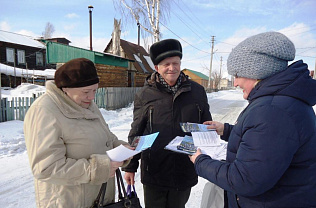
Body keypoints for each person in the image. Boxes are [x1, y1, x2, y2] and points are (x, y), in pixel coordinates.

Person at [190, 31, 316, 208]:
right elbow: (266, 141)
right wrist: (226, 130)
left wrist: (200, 161)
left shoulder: (273, 110)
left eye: (237, 75)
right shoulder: (280, 101)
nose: (234, 83)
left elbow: (244, 179)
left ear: (256, 72)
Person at [24, 58, 131, 208]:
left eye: (95, 90)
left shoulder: (86, 104)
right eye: (86, 91)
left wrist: (121, 148)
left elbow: (105, 136)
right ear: (66, 88)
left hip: (98, 198)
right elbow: (46, 168)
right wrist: (98, 168)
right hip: (68, 201)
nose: (92, 97)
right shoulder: (44, 111)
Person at [123, 39, 213, 208]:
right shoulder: (145, 94)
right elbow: (137, 132)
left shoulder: (197, 92)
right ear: (157, 68)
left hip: (184, 168)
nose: (172, 68)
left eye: (175, 63)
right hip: (155, 169)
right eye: (166, 64)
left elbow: (205, 128)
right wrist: (131, 166)